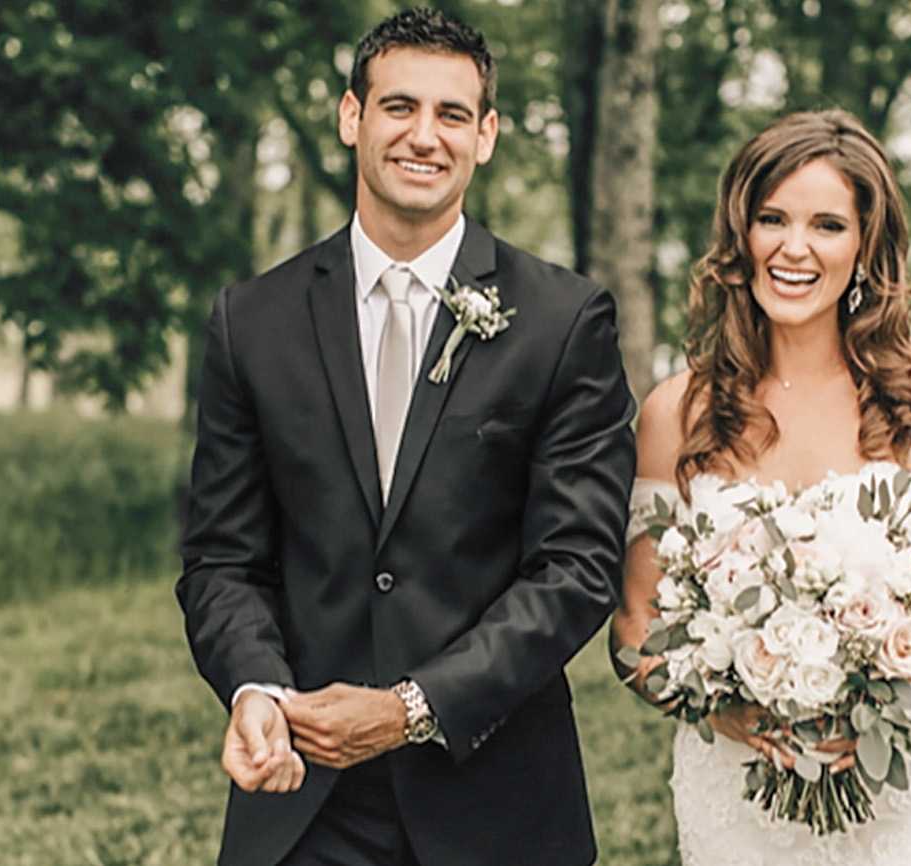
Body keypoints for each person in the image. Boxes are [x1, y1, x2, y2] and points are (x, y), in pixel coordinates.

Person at [176, 9, 636, 866]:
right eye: (399, 108)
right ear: (352, 117)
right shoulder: (252, 321)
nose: (425, 136)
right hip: (305, 810)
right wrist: (255, 688)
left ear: (486, 135)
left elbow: (576, 569)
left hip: (497, 803)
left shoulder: (563, 322)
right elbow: (222, 561)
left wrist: (409, 709)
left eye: (452, 115)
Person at [611, 109, 911, 865]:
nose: (794, 248)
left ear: (866, 245)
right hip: (739, 791)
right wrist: (718, 702)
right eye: (772, 219)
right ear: (741, 236)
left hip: (903, 793)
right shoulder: (678, 412)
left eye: (828, 225)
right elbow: (635, 623)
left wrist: (905, 682)